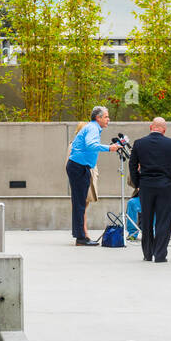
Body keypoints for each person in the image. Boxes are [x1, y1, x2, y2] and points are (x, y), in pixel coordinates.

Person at [129, 116, 171, 263]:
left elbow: (132, 166)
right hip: (165, 186)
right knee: (163, 221)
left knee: (146, 220)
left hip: (146, 186)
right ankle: (160, 255)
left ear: (150, 127)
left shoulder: (139, 143)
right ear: (164, 130)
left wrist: (137, 184)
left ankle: (147, 254)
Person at [67, 105, 120, 246]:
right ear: (98, 118)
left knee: (80, 203)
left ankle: (80, 236)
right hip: (78, 168)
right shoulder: (93, 128)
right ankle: (81, 238)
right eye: (106, 116)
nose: (108, 119)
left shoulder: (93, 128)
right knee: (79, 204)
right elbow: (91, 145)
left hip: (80, 167)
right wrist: (109, 148)